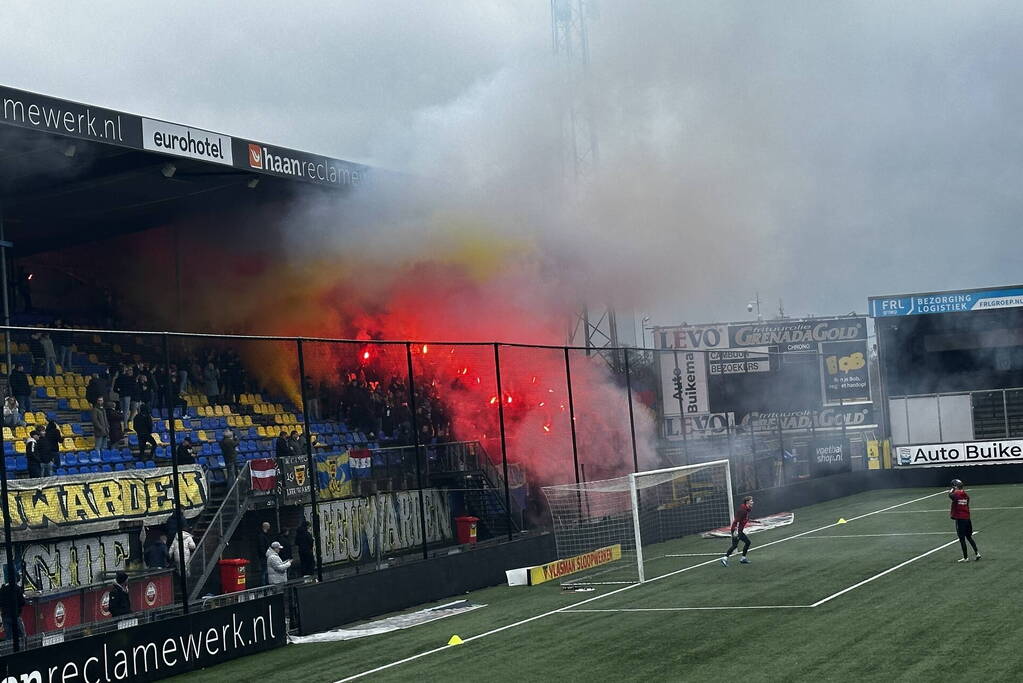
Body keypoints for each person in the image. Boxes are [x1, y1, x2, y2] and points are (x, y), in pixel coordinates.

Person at [949, 479, 981, 562]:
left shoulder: (956, 494)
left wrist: (952, 489)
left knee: (962, 538)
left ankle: (965, 557)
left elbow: (950, 495)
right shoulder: (966, 495)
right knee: (969, 537)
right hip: (967, 518)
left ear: (956, 486)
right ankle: (977, 553)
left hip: (960, 519)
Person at [721, 496, 755, 566]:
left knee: (747, 542)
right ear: (747, 502)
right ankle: (724, 558)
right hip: (736, 530)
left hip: (739, 530)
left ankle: (743, 558)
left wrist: (752, 521)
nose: (753, 502)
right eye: (751, 501)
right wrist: (736, 531)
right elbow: (737, 521)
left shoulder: (746, 509)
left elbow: (744, 519)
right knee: (734, 546)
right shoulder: (742, 510)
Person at [0, 577, 26, 644]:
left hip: (5, 616)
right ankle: (23, 649)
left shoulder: (2, 589)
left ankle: (10, 651)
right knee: (21, 634)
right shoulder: (17, 588)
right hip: (15, 616)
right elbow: (22, 602)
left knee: (8, 636)